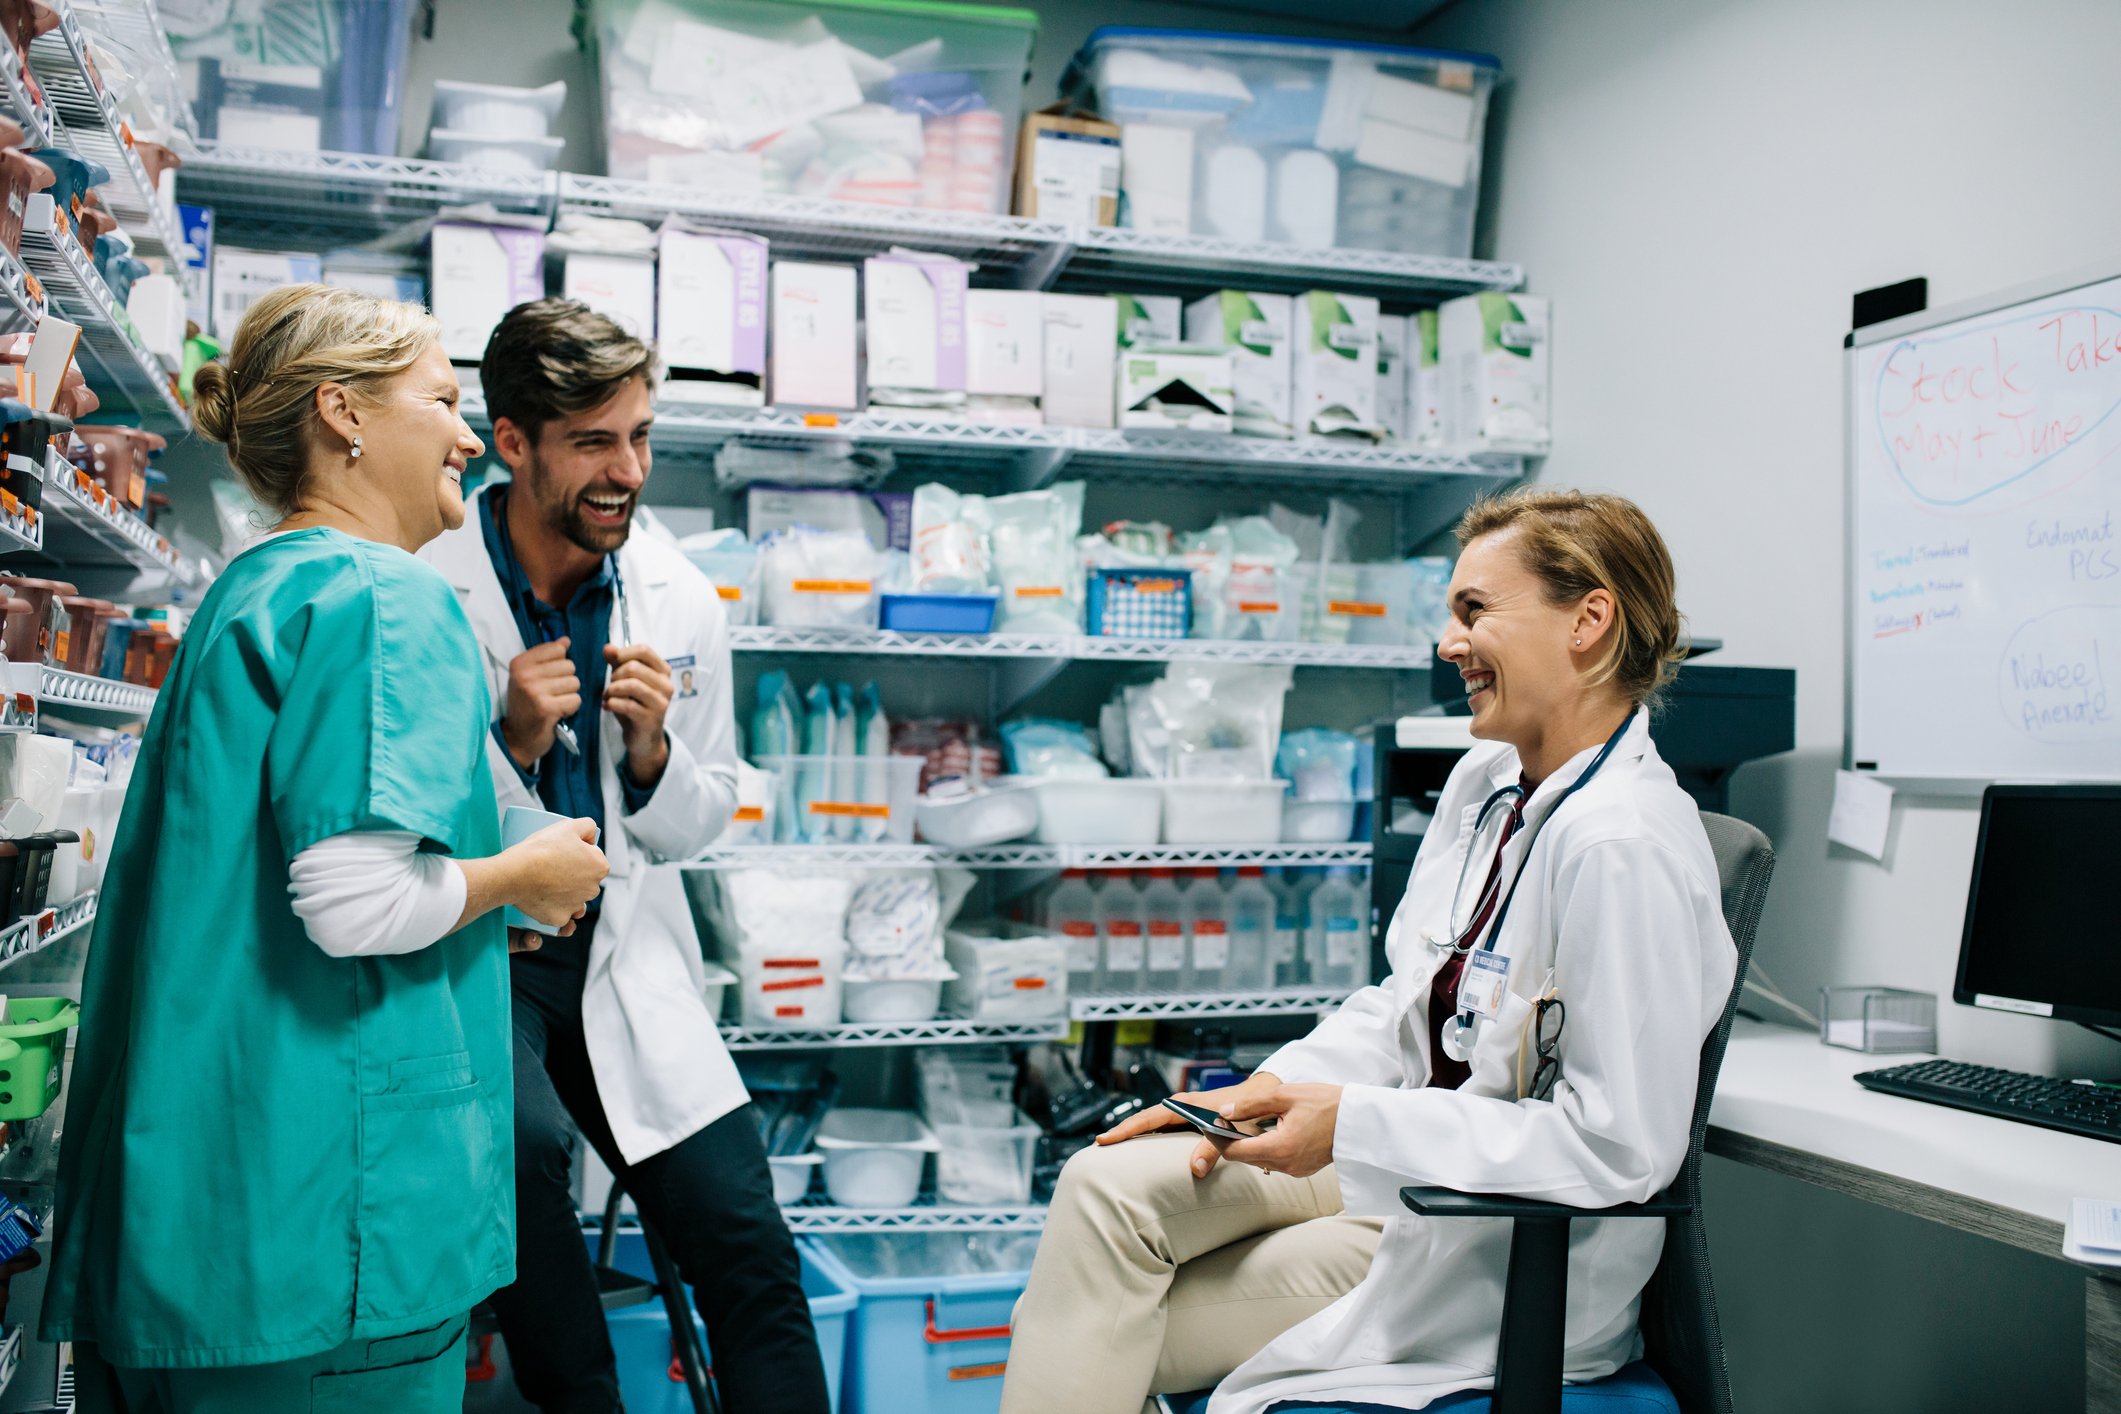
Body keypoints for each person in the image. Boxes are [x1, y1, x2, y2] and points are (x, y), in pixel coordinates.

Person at [1002, 488, 1740, 1414]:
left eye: (1475, 610)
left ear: (1589, 620)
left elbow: (1617, 1149)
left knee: (1106, 1323)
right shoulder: (1486, 783)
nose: (1448, 642)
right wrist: (1256, 1097)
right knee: (1101, 1184)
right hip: (1400, 1164)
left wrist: (1348, 1125)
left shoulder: (1620, 844)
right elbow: (1407, 1002)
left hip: (1487, 1240)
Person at [42, 284, 610, 1412]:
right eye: (445, 400)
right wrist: (521, 880)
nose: (465, 433)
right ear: (344, 412)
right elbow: (353, 902)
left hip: (208, 1212)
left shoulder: (260, 587)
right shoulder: (383, 595)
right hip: (324, 1235)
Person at [421, 298, 829, 1414]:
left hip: (620, 953)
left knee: (745, 1241)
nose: (627, 471)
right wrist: (510, 741)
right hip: (484, 950)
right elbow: (394, 822)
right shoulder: (425, 582)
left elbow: (700, 821)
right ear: (513, 443)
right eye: (594, 442)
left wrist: (651, 753)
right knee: (518, 1157)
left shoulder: (679, 597)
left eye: (640, 437)